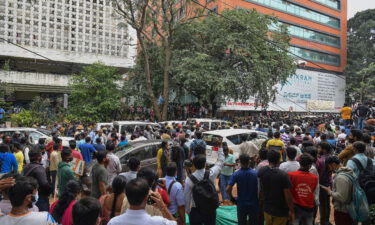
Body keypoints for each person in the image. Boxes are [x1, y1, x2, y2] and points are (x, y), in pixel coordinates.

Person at [108, 178, 176, 225]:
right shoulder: (159, 222)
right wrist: (163, 207)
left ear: (127, 197)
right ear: (146, 197)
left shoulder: (113, 222)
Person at [184, 148, 224, 225]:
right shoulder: (211, 173)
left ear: (194, 165)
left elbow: (186, 197)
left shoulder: (189, 179)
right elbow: (220, 163)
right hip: (210, 210)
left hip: (196, 210)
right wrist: (220, 149)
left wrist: (188, 211)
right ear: (205, 164)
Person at [258, 150, 294, 225]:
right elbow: (288, 196)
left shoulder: (261, 171)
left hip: (267, 208)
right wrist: (291, 210)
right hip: (280, 211)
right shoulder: (283, 175)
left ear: (268, 159)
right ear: (279, 160)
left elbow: (261, 190)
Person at [320, 156, 355, 225]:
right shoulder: (349, 171)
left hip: (343, 210)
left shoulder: (341, 177)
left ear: (333, 164)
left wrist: (329, 191)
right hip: (350, 209)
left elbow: (342, 197)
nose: (329, 169)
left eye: (328, 167)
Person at [227, 154, 258, 225]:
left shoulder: (236, 174)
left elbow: (228, 189)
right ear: (249, 161)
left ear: (240, 162)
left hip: (241, 203)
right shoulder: (255, 173)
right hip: (254, 203)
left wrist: (232, 198)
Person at [288, 153, 318, 225]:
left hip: (295, 207)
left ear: (299, 163)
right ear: (310, 165)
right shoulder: (314, 178)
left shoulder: (291, 175)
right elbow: (312, 191)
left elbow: (289, 191)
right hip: (309, 207)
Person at [316, 142, 333, 225]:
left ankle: (323, 221)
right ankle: (327, 220)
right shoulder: (331, 157)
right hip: (329, 183)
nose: (318, 149)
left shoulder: (320, 160)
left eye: (319, 148)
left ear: (324, 149)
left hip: (322, 184)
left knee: (322, 204)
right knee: (327, 203)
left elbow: (318, 174)